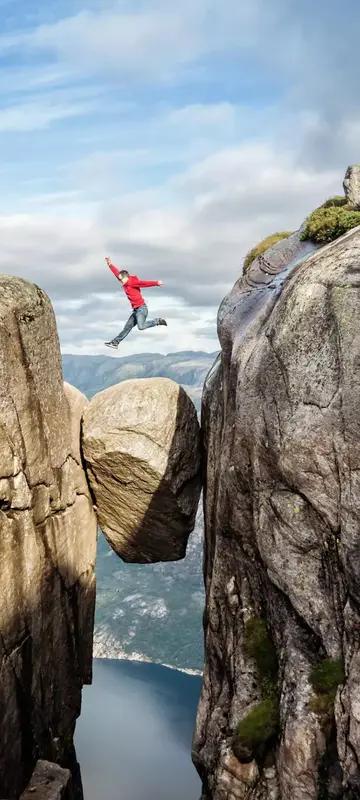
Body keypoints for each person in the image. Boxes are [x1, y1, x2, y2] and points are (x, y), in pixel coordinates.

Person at [104, 257, 167, 349]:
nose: (120, 281)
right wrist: (110, 264)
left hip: (142, 309)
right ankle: (115, 343)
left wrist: (156, 283)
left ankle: (157, 321)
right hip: (136, 310)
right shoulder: (124, 280)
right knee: (127, 328)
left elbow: (144, 283)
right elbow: (116, 273)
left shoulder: (132, 282)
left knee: (141, 327)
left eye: (121, 279)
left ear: (126, 277)